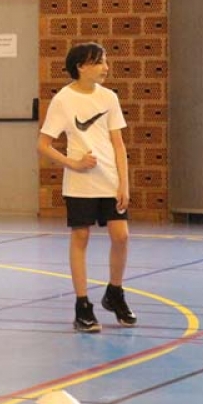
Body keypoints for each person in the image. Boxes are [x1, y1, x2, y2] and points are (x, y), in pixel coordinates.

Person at [36, 42, 136, 333]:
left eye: (106, 61)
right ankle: (82, 305)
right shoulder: (63, 100)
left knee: (121, 236)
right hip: (80, 184)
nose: (106, 67)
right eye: (100, 62)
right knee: (81, 237)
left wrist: (124, 183)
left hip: (110, 181)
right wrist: (74, 163)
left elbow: (118, 144)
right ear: (81, 66)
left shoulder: (109, 98)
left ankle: (115, 293)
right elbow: (43, 144)